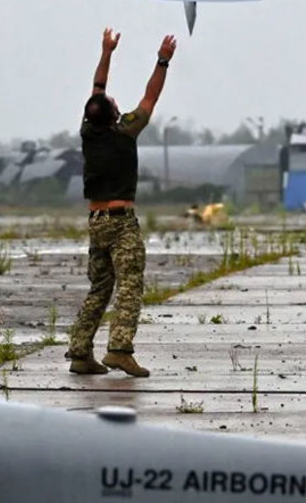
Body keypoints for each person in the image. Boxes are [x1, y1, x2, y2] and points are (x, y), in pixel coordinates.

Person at [67, 27, 177, 378]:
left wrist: (107, 51)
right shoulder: (124, 131)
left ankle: (81, 352)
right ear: (114, 114)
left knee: (100, 287)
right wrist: (162, 60)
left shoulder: (89, 131)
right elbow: (150, 97)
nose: (114, 99)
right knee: (130, 283)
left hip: (95, 221)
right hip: (119, 220)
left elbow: (97, 89)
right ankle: (119, 350)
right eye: (114, 102)